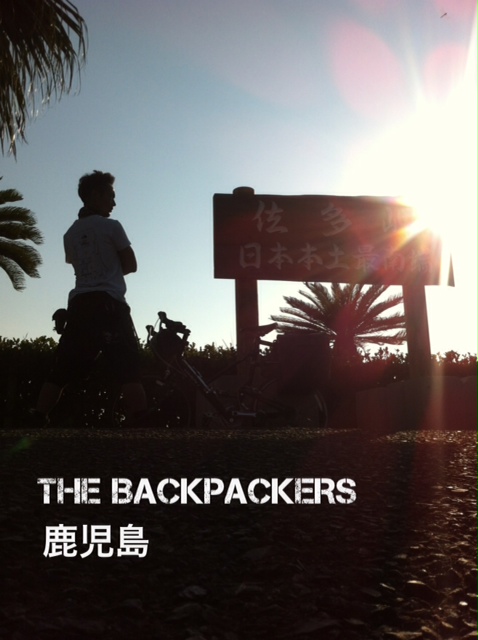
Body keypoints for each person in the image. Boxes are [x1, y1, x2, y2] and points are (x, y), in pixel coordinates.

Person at [30, 170, 148, 427]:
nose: (114, 202)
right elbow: (131, 265)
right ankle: (143, 426)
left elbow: (77, 264)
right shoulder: (112, 226)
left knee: (62, 369)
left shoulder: (70, 234)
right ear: (95, 195)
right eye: (110, 196)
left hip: (80, 305)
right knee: (128, 367)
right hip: (110, 304)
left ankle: (38, 418)